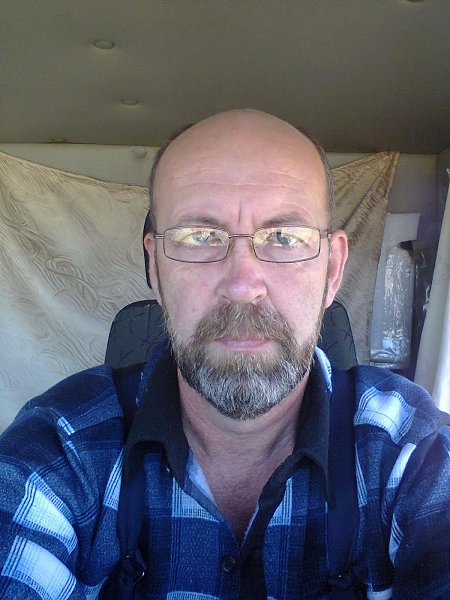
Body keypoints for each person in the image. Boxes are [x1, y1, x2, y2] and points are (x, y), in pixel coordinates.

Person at [0, 109, 448, 599]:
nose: (242, 286)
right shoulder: (61, 447)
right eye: (199, 237)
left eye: (284, 238)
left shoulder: (413, 452)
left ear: (333, 270)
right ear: (155, 268)